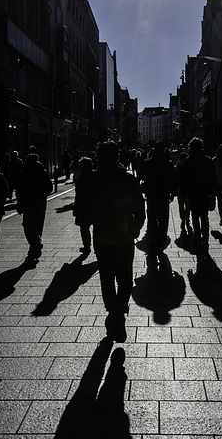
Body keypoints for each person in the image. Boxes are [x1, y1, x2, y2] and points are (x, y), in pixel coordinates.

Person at [90, 141, 145, 342]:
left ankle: (113, 310)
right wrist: (136, 227)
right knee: (124, 276)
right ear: (118, 158)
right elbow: (139, 207)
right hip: (124, 236)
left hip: (102, 236)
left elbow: (85, 209)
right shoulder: (129, 180)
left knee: (106, 276)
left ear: (98, 157)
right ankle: (119, 311)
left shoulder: (94, 180)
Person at [180, 137, 217, 251]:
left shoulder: (188, 161)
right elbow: (213, 178)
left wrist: (184, 192)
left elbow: (184, 179)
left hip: (193, 193)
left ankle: (197, 239)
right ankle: (205, 240)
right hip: (205, 192)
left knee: (195, 216)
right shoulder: (208, 160)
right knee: (204, 217)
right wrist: (213, 194)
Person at [140, 140, 177, 251]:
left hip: (152, 193)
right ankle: (161, 239)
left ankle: (152, 237)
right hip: (164, 193)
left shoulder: (148, 162)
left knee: (152, 215)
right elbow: (173, 179)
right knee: (163, 217)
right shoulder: (168, 163)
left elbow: (142, 175)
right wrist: (173, 193)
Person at [16, 153, 53, 262]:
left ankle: (35, 245)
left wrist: (19, 204)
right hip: (40, 204)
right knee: (37, 226)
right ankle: (35, 248)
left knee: (28, 225)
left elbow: (20, 190)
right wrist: (41, 194)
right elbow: (49, 188)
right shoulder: (43, 172)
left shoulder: (25, 173)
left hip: (28, 204)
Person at [73, 156, 94, 254]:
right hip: (95, 206)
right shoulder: (97, 176)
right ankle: (97, 246)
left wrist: (76, 209)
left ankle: (87, 246)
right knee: (97, 227)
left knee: (84, 228)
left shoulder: (81, 179)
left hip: (84, 207)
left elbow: (79, 196)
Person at [174, 151, 190, 233]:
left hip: (180, 190)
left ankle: (183, 219)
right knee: (188, 206)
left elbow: (173, 178)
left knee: (181, 206)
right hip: (188, 189)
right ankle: (187, 219)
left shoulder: (177, 166)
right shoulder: (189, 166)